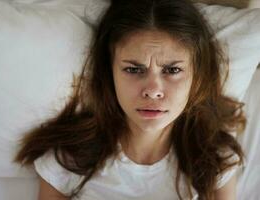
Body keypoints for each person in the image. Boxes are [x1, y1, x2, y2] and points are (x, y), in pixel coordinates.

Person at [14, 0, 246, 199]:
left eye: (172, 70)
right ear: (110, 72)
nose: (153, 90)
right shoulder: (68, 159)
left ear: (197, 76)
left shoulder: (216, 159)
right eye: (134, 70)